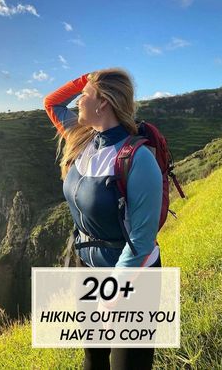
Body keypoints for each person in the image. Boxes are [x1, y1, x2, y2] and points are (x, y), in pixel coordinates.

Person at [44, 68, 163, 370]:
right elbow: (52, 103)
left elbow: (141, 241)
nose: (77, 101)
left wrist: (111, 295)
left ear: (103, 103)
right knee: (94, 357)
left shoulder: (138, 158)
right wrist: (88, 78)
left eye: (84, 96)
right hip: (87, 267)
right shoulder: (83, 140)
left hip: (133, 278)